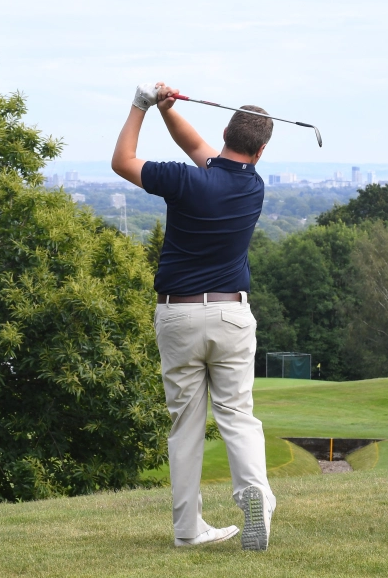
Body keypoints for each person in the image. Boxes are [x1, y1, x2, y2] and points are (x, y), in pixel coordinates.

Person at [111, 82, 276, 550]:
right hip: (230, 314)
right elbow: (197, 147)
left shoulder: (187, 181)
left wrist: (141, 106)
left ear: (224, 130)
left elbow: (123, 161)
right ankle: (254, 502)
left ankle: (187, 530)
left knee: (185, 424)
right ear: (261, 150)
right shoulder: (252, 187)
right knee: (237, 416)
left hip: (178, 316)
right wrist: (168, 110)